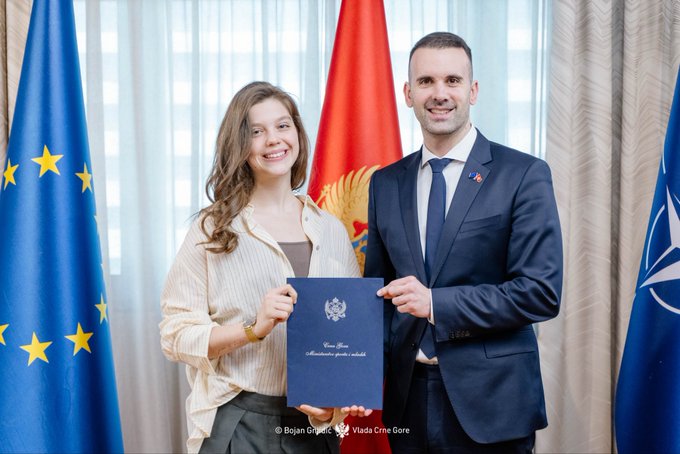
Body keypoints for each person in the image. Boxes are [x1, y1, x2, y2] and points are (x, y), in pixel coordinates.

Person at [365, 32, 563, 453]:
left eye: (452, 80)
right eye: (426, 81)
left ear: (472, 91)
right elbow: (378, 296)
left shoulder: (523, 174)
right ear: (408, 93)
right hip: (407, 403)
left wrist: (436, 303)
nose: (439, 93)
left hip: (494, 405)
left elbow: (540, 293)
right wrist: (353, 377)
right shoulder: (385, 184)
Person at [160, 81, 370, 454]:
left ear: (298, 134)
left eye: (282, 125)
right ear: (240, 146)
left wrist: (331, 409)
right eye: (256, 131)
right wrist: (252, 330)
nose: (273, 139)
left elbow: (348, 336)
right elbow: (175, 336)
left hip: (312, 430)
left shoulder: (331, 230)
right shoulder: (212, 229)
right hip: (238, 421)